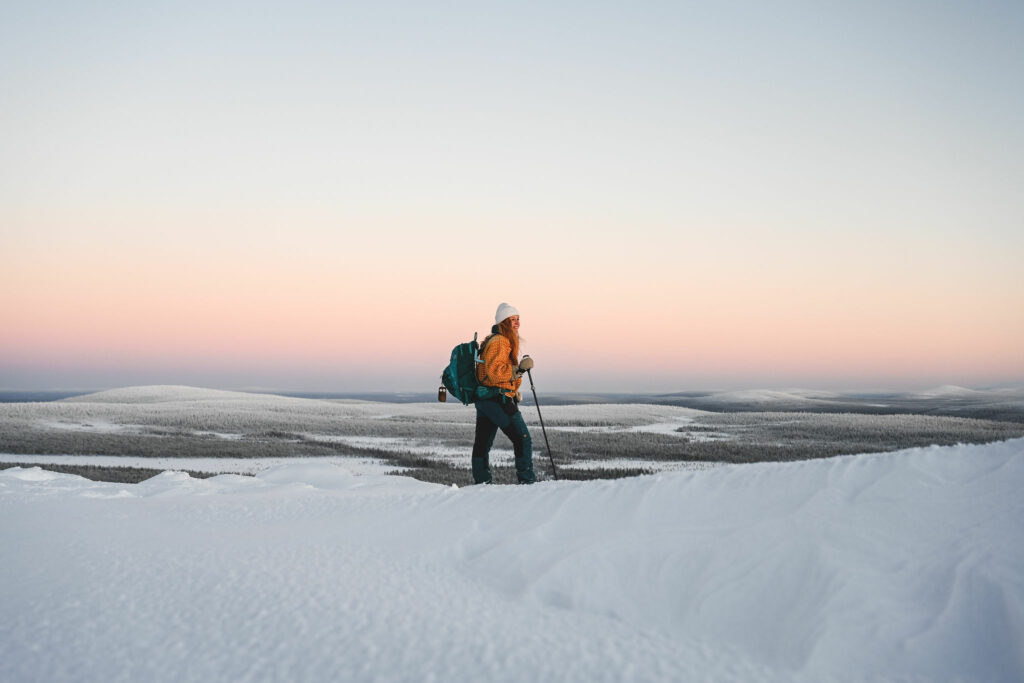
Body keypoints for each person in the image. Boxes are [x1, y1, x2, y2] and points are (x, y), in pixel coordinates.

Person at [471, 302, 537, 484]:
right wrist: (519, 371)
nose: (517, 323)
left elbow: (491, 372)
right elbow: (494, 373)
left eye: (518, 319)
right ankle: (527, 482)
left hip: (485, 400)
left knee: (482, 444)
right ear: (503, 322)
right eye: (512, 320)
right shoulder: (501, 341)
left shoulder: (493, 340)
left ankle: (482, 482)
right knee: (523, 439)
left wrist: (514, 386)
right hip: (497, 398)